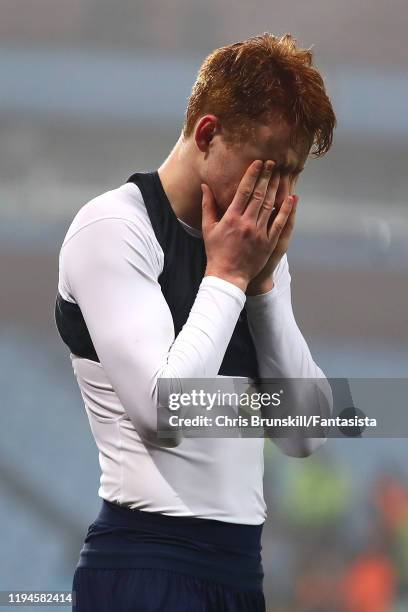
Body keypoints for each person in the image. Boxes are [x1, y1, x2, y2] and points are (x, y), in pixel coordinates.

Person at [55, 32, 336, 612]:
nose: (278, 196)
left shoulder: (250, 255)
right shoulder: (112, 228)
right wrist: (230, 276)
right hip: (146, 564)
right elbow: (165, 413)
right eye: (270, 168)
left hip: (239, 572)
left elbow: (305, 434)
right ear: (208, 134)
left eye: (293, 177)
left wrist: (261, 287)